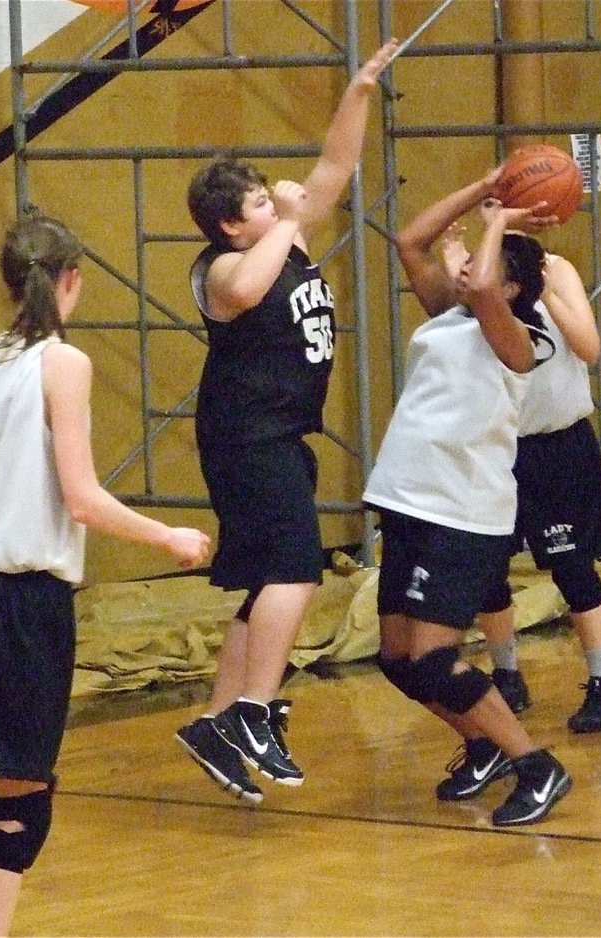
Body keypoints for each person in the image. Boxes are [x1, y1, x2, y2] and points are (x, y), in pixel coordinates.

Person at [0, 212, 210, 938]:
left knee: (10, 788)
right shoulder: (63, 362)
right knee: (21, 807)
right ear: (71, 280)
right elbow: (82, 495)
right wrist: (166, 534)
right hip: (24, 599)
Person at [172, 38, 399, 803]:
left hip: (278, 434)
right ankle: (251, 711)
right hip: (245, 434)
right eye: (261, 203)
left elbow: (334, 168)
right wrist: (285, 224)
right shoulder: (224, 270)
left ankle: (214, 722)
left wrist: (359, 90)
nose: (279, 205)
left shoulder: (279, 237)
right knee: (296, 569)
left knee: (260, 583)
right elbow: (247, 291)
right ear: (230, 226)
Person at [363, 171, 572, 827]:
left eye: (489, 266)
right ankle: (484, 745)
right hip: (409, 505)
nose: (468, 273)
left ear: (512, 288)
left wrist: (500, 223)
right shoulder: (451, 318)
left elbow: (481, 285)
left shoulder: (519, 337)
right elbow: (409, 239)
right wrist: (484, 185)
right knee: (398, 661)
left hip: (463, 516)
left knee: (432, 659)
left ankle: (539, 767)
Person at [442, 204, 601, 735]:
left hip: (559, 447)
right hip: (497, 449)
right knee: (487, 571)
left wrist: (544, 290)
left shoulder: (556, 272)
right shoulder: (479, 277)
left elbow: (589, 348)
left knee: (573, 568)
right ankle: (507, 675)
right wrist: (456, 260)